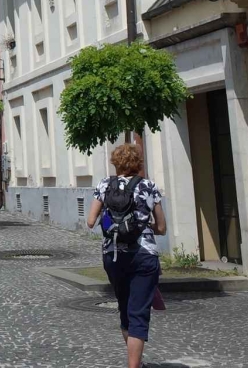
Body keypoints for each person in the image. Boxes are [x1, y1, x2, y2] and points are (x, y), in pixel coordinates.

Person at [86, 143, 166, 368]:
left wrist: (112, 224)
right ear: (138, 163)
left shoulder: (105, 185)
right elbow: (162, 227)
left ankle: (136, 364)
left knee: (125, 309)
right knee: (138, 313)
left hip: (113, 256)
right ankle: (134, 366)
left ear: (115, 163)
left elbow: (91, 221)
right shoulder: (149, 186)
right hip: (144, 256)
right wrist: (144, 225)